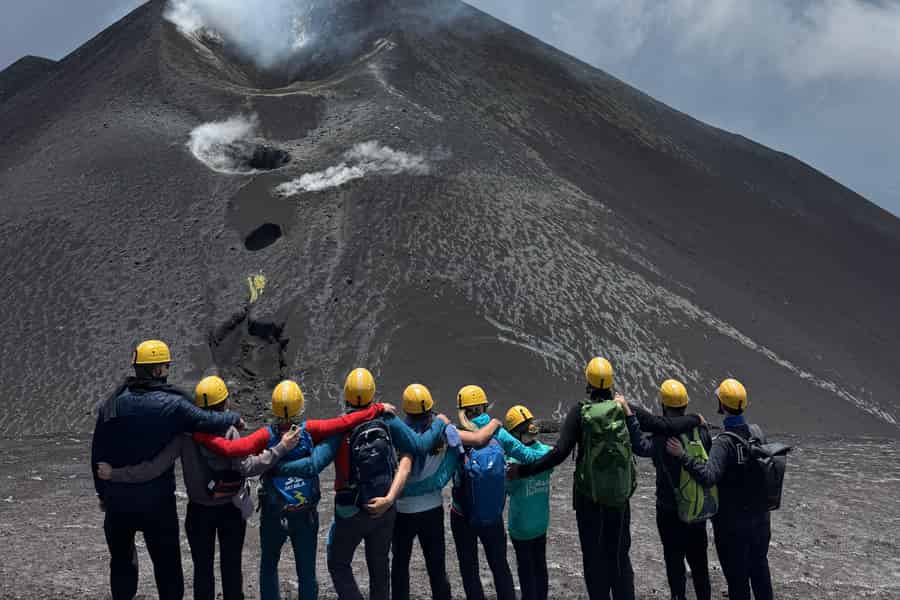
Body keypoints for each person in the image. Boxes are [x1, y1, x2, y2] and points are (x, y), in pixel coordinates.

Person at [509, 357, 702, 600]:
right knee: (619, 557)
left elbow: (559, 454)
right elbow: (661, 424)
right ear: (611, 382)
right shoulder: (622, 407)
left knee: (593, 559)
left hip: (587, 498)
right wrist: (695, 419)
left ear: (588, 382)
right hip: (618, 497)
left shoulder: (580, 412)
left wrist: (523, 471)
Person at [96, 375, 299, 600]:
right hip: (231, 510)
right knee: (231, 568)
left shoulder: (184, 436)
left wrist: (114, 474)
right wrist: (281, 448)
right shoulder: (230, 431)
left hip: (199, 513)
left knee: (203, 570)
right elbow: (249, 466)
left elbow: (153, 468)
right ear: (225, 402)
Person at [91, 340, 241, 600]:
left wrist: (103, 492)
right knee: (168, 570)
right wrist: (233, 417)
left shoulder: (112, 403)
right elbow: (206, 421)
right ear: (157, 370)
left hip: (118, 501)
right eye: (166, 366)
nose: (168, 370)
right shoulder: (172, 404)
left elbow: (97, 451)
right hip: (156, 503)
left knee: (122, 566)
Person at [256, 379, 392, 600]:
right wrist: (377, 409)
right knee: (307, 571)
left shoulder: (265, 436)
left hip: (274, 513)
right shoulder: (311, 431)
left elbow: (237, 452)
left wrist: (273, 466)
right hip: (306, 514)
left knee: (269, 564)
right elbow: (341, 426)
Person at [326, 368, 449, 600]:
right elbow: (419, 445)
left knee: (339, 562)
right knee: (380, 567)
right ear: (373, 392)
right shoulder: (387, 419)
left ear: (347, 394)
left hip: (351, 508)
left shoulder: (340, 426)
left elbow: (316, 462)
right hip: (385, 507)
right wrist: (439, 424)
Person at [391, 383, 501, 600]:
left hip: (402, 511)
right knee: (436, 567)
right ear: (430, 406)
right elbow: (479, 440)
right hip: (432, 509)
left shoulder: (397, 434)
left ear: (406, 409)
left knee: (400, 566)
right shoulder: (443, 431)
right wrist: (495, 423)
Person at [666, 378, 774, 600]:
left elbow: (708, 476)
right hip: (761, 521)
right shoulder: (757, 432)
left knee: (738, 581)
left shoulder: (723, 443)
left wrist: (683, 455)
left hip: (732, 527)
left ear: (722, 405)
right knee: (761, 573)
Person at [451, 384, 548, 600]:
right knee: (500, 566)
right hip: (492, 514)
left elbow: (442, 473)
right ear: (484, 406)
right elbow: (529, 456)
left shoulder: (456, 434)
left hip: (461, 514)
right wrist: (549, 455)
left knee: (469, 569)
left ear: (462, 409)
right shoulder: (499, 432)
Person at [620, 379, 712, 600]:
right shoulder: (701, 430)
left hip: (669, 509)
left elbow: (641, 447)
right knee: (700, 564)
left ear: (663, 405)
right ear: (685, 405)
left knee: (674, 561)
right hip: (697, 509)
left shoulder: (663, 437)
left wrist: (631, 419)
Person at [504, 405, 553, 600]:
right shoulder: (547, 452)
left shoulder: (511, 460)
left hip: (521, 526)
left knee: (525, 570)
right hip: (541, 523)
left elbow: (507, 489)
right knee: (540, 566)